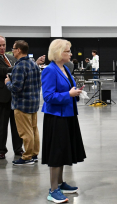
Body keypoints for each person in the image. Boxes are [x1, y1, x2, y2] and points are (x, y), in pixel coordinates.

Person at [41, 39, 86, 203]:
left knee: (63, 150)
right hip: (56, 117)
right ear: (59, 52)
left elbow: (68, 90)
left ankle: (60, 183)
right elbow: (48, 96)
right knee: (56, 153)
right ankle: (53, 190)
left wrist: (75, 92)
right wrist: (69, 95)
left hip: (68, 115)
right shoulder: (50, 71)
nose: (71, 53)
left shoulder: (64, 69)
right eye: (68, 51)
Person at [0, 36, 44, 159]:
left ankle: (21, 150)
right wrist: (29, 64)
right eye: (0, 45)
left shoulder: (15, 60)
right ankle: (1, 150)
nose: (3, 48)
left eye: (4, 45)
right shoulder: (24, 63)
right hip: (4, 98)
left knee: (21, 128)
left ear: (18, 50)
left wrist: (23, 66)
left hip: (19, 100)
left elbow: (17, 81)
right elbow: (3, 70)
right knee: (2, 126)